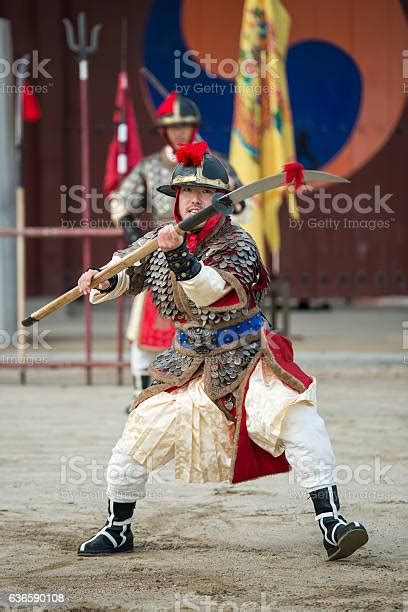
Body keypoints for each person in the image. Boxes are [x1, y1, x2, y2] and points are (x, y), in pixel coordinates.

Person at [77, 141, 368, 561]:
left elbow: (212, 291)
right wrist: (100, 279)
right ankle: (118, 528)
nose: (195, 199)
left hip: (249, 353)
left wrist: (178, 254)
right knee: (135, 440)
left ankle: (332, 522)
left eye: (206, 193)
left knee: (298, 420)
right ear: (175, 198)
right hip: (187, 361)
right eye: (187, 192)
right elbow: (124, 272)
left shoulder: (238, 242)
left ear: (218, 200)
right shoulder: (158, 241)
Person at [108, 92, 246, 400]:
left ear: (194, 126)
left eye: (185, 126)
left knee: (209, 326)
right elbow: (120, 203)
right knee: (144, 336)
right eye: (174, 127)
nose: (180, 132)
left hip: (209, 251)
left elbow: (240, 203)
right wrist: (140, 244)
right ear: (165, 131)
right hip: (161, 250)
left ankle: (204, 393)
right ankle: (142, 398)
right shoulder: (148, 167)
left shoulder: (217, 164)